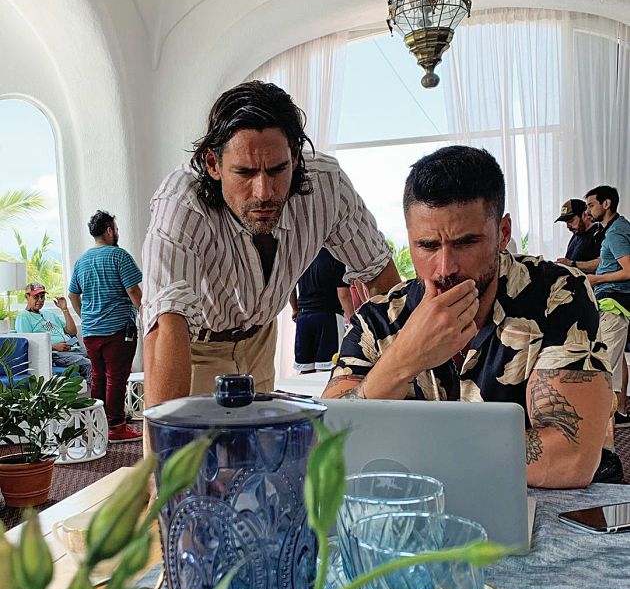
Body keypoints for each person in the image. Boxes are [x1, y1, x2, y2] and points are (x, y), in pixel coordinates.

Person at [323, 145, 611, 489]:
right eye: (427, 245)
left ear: (503, 233)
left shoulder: (556, 295)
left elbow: (570, 459)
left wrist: (399, 445)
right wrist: (404, 359)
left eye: (465, 243)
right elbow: (326, 444)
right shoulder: (377, 320)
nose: (445, 268)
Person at [142, 81, 400, 408]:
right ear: (213, 164)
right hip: (195, 349)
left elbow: (380, 277)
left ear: (295, 156)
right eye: (245, 172)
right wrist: (163, 436)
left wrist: (418, 381)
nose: (264, 192)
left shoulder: (327, 185)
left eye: (278, 170)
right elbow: (166, 323)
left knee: (260, 439)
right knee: (187, 440)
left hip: (261, 339)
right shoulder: (181, 204)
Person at [68, 211, 143, 443]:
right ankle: (116, 427)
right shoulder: (119, 256)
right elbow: (133, 290)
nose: (117, 233)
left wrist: (86, 317)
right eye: (116, 229)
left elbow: (72, 295)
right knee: (116, 378)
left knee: (98, 377)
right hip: (117, 330)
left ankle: (97, 426)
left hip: (91, 332)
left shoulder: (82, 261)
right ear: (109, 231)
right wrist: (147, 314)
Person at [584, 186, 630, 427]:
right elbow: (606, 261)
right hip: (611, 301)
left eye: (591, 205)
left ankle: (602, 423)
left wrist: (596, 280)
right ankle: (616, 415)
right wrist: (575, 266)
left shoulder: (615, 233)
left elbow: (628, 270)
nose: (588, 211)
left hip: (614, 302)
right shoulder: (614, 229)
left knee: (606, 366)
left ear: (606, 204)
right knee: (616, 362)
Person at [289, 248, 354, 373]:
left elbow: (289, 287)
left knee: (305, 370)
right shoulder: (336, 255)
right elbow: (343, 294)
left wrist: (295, 309)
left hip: (304, 318)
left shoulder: (302, 254)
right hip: (328, 317)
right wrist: (354, 321)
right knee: (329, 369)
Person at [15, 283, 92, 384]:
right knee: (88, 364)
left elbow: (72, 331)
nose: (40, 300)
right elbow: (28, 345)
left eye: (42, 296)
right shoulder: (23, 317)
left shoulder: (48, 313)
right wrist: (55, 347)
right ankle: (96, 391)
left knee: (99, 357)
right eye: (36, 297)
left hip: (72, 348)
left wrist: (64, 309)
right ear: (27, 297)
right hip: (56, 355)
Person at [555, 198, 603, 271]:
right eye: (566, 222)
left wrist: (572, 263)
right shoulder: (577, 234)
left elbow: (603, 263)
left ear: (584, 215)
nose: (568, 226)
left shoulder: (599, 234)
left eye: (571, 221)